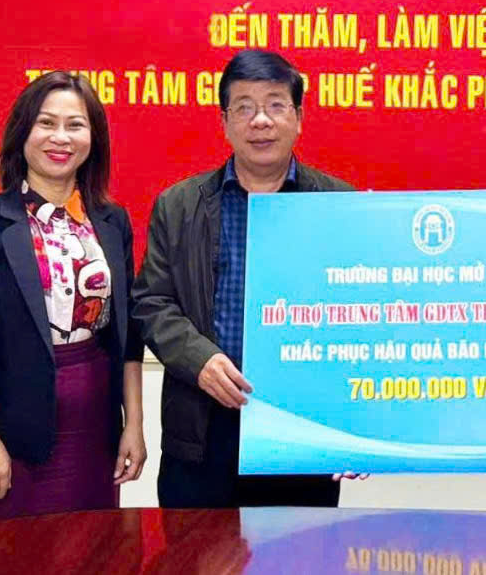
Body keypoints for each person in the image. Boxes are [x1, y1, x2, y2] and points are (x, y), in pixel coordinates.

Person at [133, 49, 355, 508]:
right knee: (198, 548)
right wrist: (199, 359)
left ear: (299, 118)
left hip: (300, 431)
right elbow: (152, 302)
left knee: (297, 548)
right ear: (225, 121)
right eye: (245, 107)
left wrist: (354, 429)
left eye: (275, 105)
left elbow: (360, 316)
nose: (261, 120)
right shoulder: (179, 205)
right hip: (202, 426)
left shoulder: (338, 205)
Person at [0, 71, 146, 525]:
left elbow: (128, 334)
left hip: (94, 424)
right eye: (46, 123)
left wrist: (133, 423)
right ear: (23, 133)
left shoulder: (111, 221)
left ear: (93, 137)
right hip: (12, 428)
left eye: (75, 125)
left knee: (93, 546)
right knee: (6, 551)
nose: (60, 137)